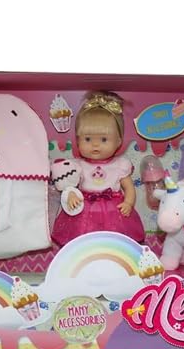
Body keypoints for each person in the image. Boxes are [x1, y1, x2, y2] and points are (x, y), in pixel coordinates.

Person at [52, 92, 145, 245]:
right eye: (88, 139)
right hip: (84, 211)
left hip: (113, 212)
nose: (95, 145)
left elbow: (129, 187)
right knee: (84, 242)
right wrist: (71, 195)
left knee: (115, 242)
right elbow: (69, 186)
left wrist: (128, 203)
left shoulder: (120, 165)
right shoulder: (77, 165)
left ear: (118, 141)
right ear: (78, 140)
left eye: (103, 139)